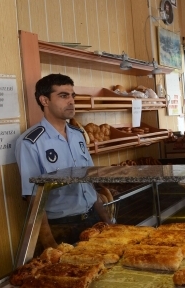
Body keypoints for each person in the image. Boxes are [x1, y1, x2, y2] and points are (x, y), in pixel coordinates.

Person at [15, 74, 111, 249]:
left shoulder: (78, 135)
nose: (71, 101)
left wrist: (107, 219)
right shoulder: (31, 142)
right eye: (63, 96)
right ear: (44, 100)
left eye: (72, 95)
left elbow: (88, 183)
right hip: (61, 227)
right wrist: (50, 243)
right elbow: (33, 198)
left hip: (92, 220)